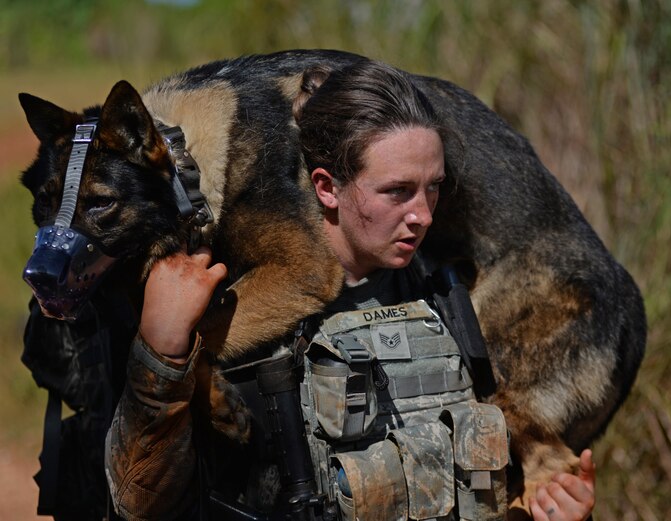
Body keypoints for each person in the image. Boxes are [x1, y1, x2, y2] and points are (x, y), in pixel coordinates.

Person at [106, 60, 596, 521]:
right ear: (326, 187)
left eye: (433, 188)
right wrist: (163, 354)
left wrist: (547, 511)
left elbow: (478, 490)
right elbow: (139, 503)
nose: (423, 214)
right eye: (397, 191)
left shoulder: (453, 300)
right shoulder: (231, 312)